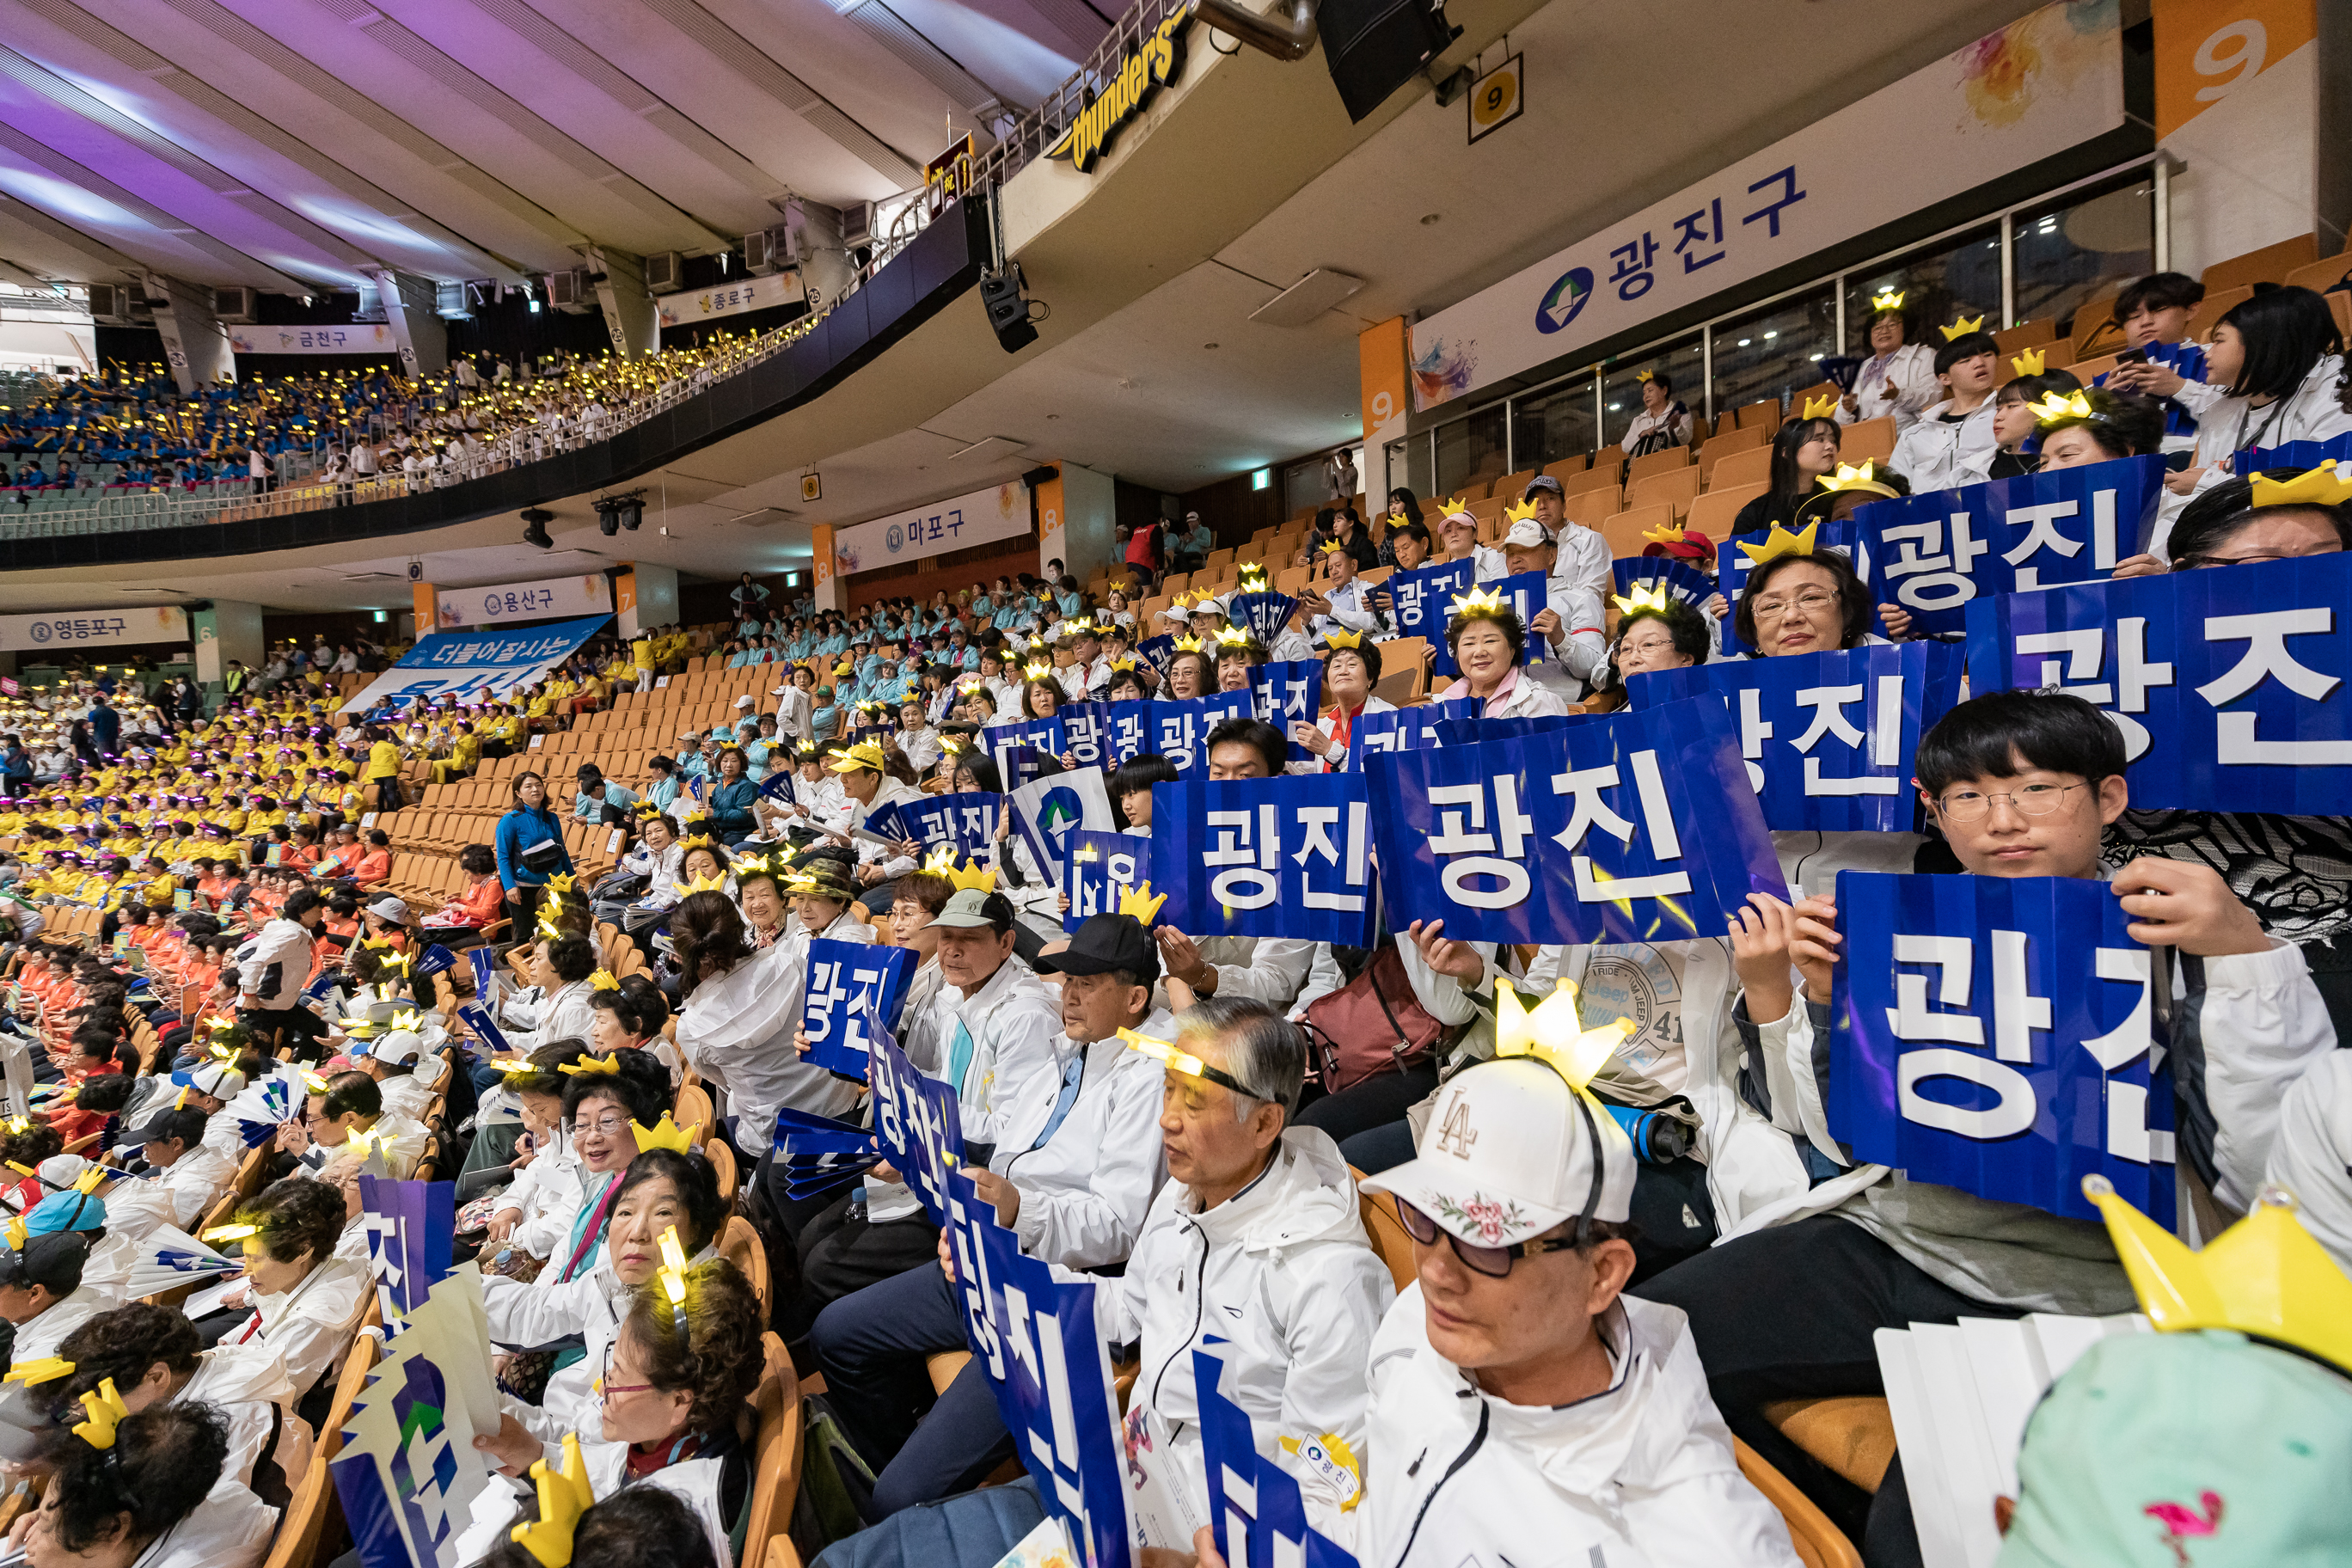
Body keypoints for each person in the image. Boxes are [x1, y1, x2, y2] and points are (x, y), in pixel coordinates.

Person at [1637, 690, 2337, 1561]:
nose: (2003, 820)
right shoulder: (1902, 925)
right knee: (1638, 1345)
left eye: (2037, 788)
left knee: (1938, 1526)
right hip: (1897, 1239)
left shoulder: (2191, 930)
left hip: (2092, 1293)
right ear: (1934, 812)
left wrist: (2245, 962)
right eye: (1968, 796)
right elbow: (1834, 1138)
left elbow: (2272, 1176)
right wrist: (1812, 999)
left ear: (2108, 798)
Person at [1346, 1050, 1802, 1567]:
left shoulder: (1694, 1540)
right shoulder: (1418, 1324)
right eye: (1424, 1215)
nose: (1434, 1271)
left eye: (1489, 1242)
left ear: (1602, 1274)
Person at [809, 910, 1173, 1516]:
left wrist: (1018, 1208)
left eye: (1088, 983)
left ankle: (908, 1501)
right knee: (836, 1334)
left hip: (1058, 1292)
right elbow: (1005, 1143)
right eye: (1067, 980)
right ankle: (897, 1467)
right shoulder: (1071, 1048)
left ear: (1135, 997)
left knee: (901, 1494)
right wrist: (925, 1151)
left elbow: (1118, 1228)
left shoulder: (1149, 1077)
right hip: (992, 1252)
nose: (1070, 994)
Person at [1116, 998, 1393, 1543]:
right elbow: (1130, 1311)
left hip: (1212, 1534)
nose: (1167, 1118)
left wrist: (1224, 1544)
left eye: (1194, 1100)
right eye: (1168, 1089)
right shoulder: (1186, 1191)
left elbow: (1324, 1485)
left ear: (1266, 1122)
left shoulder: (1327, 1276)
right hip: (1130, 1474)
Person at [2153, 285, 2352, 558]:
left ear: (2263, 342)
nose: (2207, 353)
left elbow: (2334, 493)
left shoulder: (2337, 394)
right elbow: (2186, 509)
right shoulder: (2221, 413)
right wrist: (2160, 562)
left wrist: (2212, 484)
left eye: (2220, 340)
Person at [1146, 720, 1316, 1010]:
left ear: (1277, 780)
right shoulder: (1183, 841)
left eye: (1245, 775)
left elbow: (1277, 982)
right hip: (1167, 991)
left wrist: (1200, 977)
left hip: (1241, 1015)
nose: (1227, 786)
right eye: (1218, 773)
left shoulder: (1301, 857)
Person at [20, 1401, 274, 1568]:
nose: (31, 1538)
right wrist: (61, 1518)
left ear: (112, 1529)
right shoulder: (232, 1499)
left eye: (43, 1525)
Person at [209, 1178, 369, 1410]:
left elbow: (258, 1396)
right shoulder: (333, 1267)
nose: (246, 1270)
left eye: (255, 1258)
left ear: (302, 1250)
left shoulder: (311, 1320)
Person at [1886, 325, 2001, 490]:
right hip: (1929, 513)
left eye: (1987, 355)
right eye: (1965, 360)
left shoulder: (2006, 417)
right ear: (1945, 378)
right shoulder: (1915, 434)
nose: (1980, 363)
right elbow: (1894, 487)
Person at [1432, 591, 1568, 720]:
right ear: (1456, 653)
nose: (1479, 652)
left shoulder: (1539, 703)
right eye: (1469, 644)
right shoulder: (1440, 704)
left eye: (1490, 641)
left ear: (1512, 648)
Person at [1576, 594, 1712, 714]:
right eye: (1626, 649)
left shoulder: (1714, 716)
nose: (1633, 659)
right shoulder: (1612, 729)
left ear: (1686, 658)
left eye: (1649, 645)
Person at [1838, 295, 1941, 430]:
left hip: (1909, 436)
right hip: (1866, 440)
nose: (1884, 331)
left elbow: (1933, 396)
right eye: (1877, 328)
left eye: (1892, 324)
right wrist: (1847, 410)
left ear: (1905, 328)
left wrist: (1899, 395)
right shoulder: (1859, 369)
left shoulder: (1924, 355)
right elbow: (1839, 423)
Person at [1292, 634, 1391, 770]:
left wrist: (1330, 750)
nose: (1343, 671)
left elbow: (1382, 772)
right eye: (1337, 666)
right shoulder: (1321, 725)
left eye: (1352, 664)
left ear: (1370, 678)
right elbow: (1307, 777)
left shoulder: (1388, 718)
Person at [1731, 416, 1841, 537]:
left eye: (1833, 440)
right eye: (1819, 439)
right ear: (1788, 452)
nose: (1830, 446)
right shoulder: (1755, 513)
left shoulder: (1842, 501)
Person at [494, 771, 573, 929]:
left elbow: (562, 851)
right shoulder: (510, 820)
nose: (535, 790)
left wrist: (571, 879)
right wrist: (510, 886)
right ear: (518, 793)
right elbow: (503, 857)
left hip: (553, 885)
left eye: (538, 785)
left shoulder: (552, 818)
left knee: (556, 931)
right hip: (524, 888)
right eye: (528, 786)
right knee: (525, 935)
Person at [1622, 371, 1693, 453]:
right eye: (1644, 393)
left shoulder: (1679, 410)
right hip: (1645, 462)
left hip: (1671, 460)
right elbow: (1625, 447)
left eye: (1650, 390)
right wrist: (1642, 435)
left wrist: (1675, 428)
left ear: (1664, 391)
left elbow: (1686, 441)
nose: (1646, 396)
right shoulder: (1638, 420)